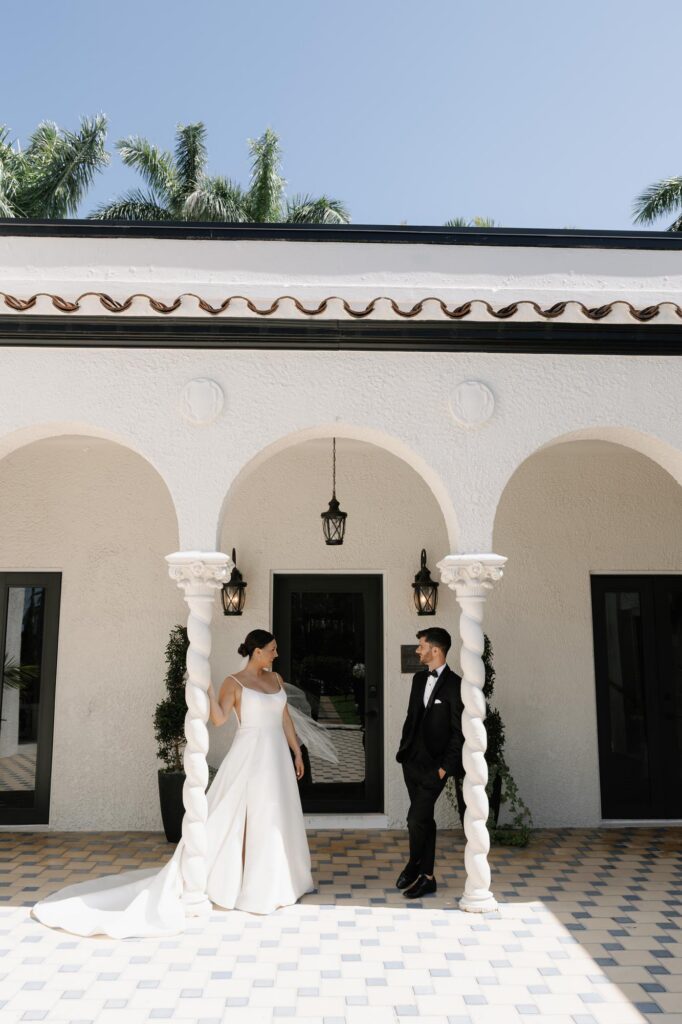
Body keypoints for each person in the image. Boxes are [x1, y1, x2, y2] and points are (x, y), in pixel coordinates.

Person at [32, 629, 336, 938]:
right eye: (272, 648)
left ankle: (281, 880)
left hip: (277, 759)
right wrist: (207, 685)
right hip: (251, 758)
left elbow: (284, 717)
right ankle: (246, 886)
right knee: (246, 818)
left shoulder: (276, 679)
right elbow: (218, 719)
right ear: (256, 651)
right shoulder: (234, 683)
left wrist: (296, 750)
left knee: (276, 817)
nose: (276, 653)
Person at [395, 627, 464, 899]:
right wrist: (404, 749)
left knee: (414, 819)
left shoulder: (456, 685)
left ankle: (418, 868)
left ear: (435, 650)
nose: (417, 650)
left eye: (421, 646)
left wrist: (444, 768)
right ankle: (425, 874)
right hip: (411, 762)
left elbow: (459, 732)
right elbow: (412, 717)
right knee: (424, 820)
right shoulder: (418, 679)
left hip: (435, 768)